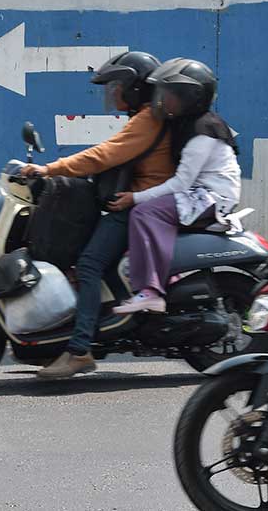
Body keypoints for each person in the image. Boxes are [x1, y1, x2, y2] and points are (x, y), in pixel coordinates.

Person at [20, 51, 174, 379]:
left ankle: (80, 350)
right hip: (135, 203)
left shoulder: (148, 120)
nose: (113, 92)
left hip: (138, 208)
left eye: (118, 85)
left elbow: (102, 155)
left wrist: (49, 169)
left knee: (89, 264)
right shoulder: (144, 118)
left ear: (136, 87)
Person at [108, 59, 240, 314]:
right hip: (203, 193)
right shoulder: (190, 124)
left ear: (191, 97)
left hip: (211, 197)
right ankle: (170, 279)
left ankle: (149, 291)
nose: (163, 100)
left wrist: (135, 198)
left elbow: (181, 183)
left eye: (170, 95)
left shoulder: (202, 132)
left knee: (146, 213)